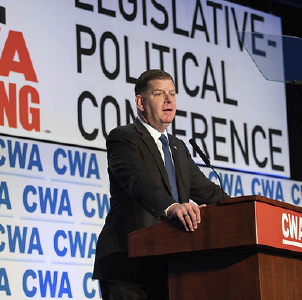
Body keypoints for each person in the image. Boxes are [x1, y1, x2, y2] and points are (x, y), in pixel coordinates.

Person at [92, 69, 227, 300]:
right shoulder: (123, 138)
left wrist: (244, 209)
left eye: (172, 94)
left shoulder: (178, 147)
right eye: (159, 94)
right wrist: (173, 207)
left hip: (169, 266)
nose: (169, 100)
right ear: (140, 102)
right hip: (127, 266)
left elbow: (207, 191)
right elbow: (137, 181)